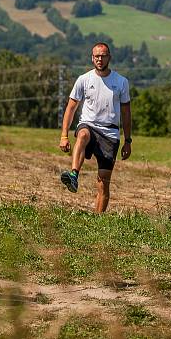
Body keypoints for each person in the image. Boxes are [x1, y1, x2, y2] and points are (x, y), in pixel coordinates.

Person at [59, 42, 132, 213]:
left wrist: (127, 141)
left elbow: (127, 113)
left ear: (109, 58)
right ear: (92, 58)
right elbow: (70, 108)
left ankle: (97, 220)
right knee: (82, 134)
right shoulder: (83, 79)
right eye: (96, 56)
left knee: (103, 182)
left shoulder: (121, 82)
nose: (100, 59)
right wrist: (64, 135)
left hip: (110, 133)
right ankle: (74, 175)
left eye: (103, 55)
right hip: (89, 125)